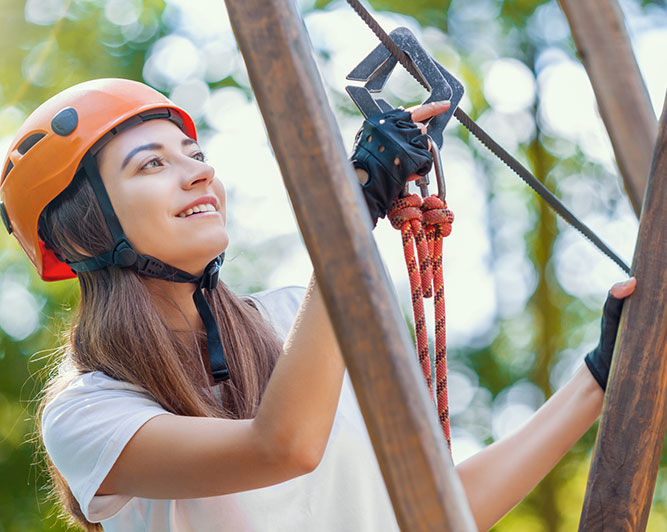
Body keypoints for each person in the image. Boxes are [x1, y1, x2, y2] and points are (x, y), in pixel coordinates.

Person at [0, 78, 635, 532]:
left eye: (195, 155)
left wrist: (600, 375)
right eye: (152, 165)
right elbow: (283, 447)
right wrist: (350, 212)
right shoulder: (88, 412)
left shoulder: (294, 322)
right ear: (83, 230)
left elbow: (435, 513)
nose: (199, 174)